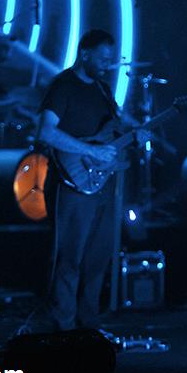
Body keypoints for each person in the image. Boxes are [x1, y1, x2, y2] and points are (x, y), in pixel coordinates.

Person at [36, 29, 121, 332]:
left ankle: (89, 327)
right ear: (84, 54)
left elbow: (112, 134)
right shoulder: (63, 86)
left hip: (101, 184)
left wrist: (134, 137)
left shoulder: (102, 90)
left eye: (110, 60)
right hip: (71, 182)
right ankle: (64, 330)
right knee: (69, 258)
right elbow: (46, 132)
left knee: (97, 258)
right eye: (102, 59)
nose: (108, 65)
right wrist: (90, 151)